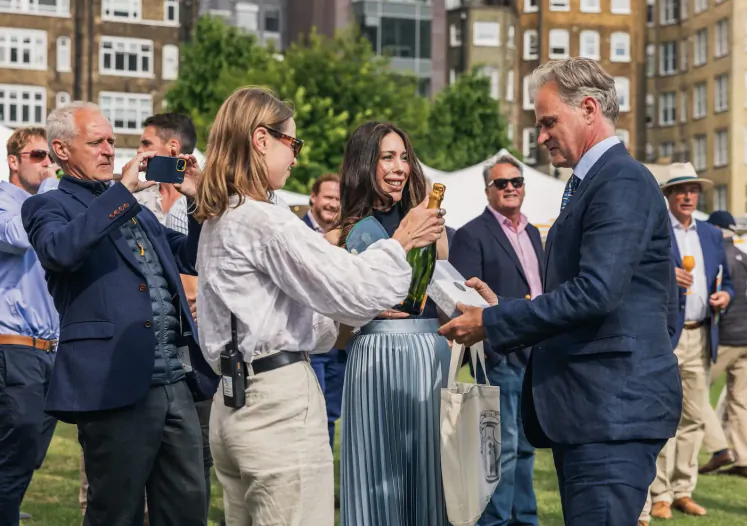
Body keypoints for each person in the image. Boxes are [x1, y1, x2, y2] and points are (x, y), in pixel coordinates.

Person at [438, 58, 683, 526]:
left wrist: (492, 323)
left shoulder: (621, 180)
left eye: (549, 121)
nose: (541, 135)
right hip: (595, 411)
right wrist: (503, 308)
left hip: (612, 413)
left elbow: (596, 292)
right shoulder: (596, 183)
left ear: (588, 108)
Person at [193, 87, 444, 526]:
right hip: (277, 406)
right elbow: (357, 290)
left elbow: (313, 311)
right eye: (293, 143)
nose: (295, 157)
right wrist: (403, 238)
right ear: (261, 139)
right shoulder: (265, 219)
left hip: (232, 403)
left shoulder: (222, 217)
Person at [20, 101, 217, 526]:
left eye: (111, 140)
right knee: (116, 513)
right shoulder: (47, 206)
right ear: (62, 149)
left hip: (175, 382)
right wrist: (122, 193)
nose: (110, 149)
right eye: (96, 141)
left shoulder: (139, 213)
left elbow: (190, 257)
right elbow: (61, 251)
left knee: (187, 511)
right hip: (114, 386)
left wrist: (199, 202)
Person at [327, 121, 452, 526]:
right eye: (387, 157)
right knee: (375, 471)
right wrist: (363, 308)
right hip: (372, 355)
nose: (399, 166)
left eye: (403, 157)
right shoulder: (338, 236)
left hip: (425, 352)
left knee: (426, 469)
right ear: (366, 164)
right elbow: (338, 325)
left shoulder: (432, 227)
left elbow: (444, 293)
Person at [449, 155, 541, 526]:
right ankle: (496, 521)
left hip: (536, 352)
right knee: (499, 449)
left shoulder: (534, 232)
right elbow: (463, 299)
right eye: (501, 183)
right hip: (501, 353)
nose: (510, 188)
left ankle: (525, 519)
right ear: (488, 190)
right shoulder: (473, 233)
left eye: (516, 181)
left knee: (525, 447)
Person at [650, 165, 733, 518]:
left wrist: (725, 297)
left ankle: (683, 489)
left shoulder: (713, 235)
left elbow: (726, 280)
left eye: (693, 190)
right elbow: (638, 273)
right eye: (680, 190)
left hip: (702, 333)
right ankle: (660, 493)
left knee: (695, 418)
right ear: (668, 195)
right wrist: (666, 275)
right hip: (667, 334)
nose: (687, 196)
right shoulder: (654, 232)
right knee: (663, 415)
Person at [0, 127, 60, 526]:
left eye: (48, 157)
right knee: (14, 455)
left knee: (26, 457)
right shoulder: (6, 202)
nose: (45, 164)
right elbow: (18, 238)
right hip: (14, 344)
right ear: (14, 161)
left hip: (50, 351)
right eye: (37, 156)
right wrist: (51, 189)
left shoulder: (47, 206)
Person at [700, 210, 747, 480]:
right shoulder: (746, 257)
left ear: (714, 229)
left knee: (693, 393)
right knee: (740, 402)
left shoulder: (715, 256)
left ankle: (718, 448)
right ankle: (745, 460)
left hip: (725, 338)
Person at [302, 172, 348, 454]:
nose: (333, 204)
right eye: (329, 197)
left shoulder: (346, 235)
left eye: (339, 199)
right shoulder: (297, 231)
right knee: (313, 416)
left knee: (331, 415)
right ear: (314, 197)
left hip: (340, 340)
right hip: (311, 339)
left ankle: (323, 480)